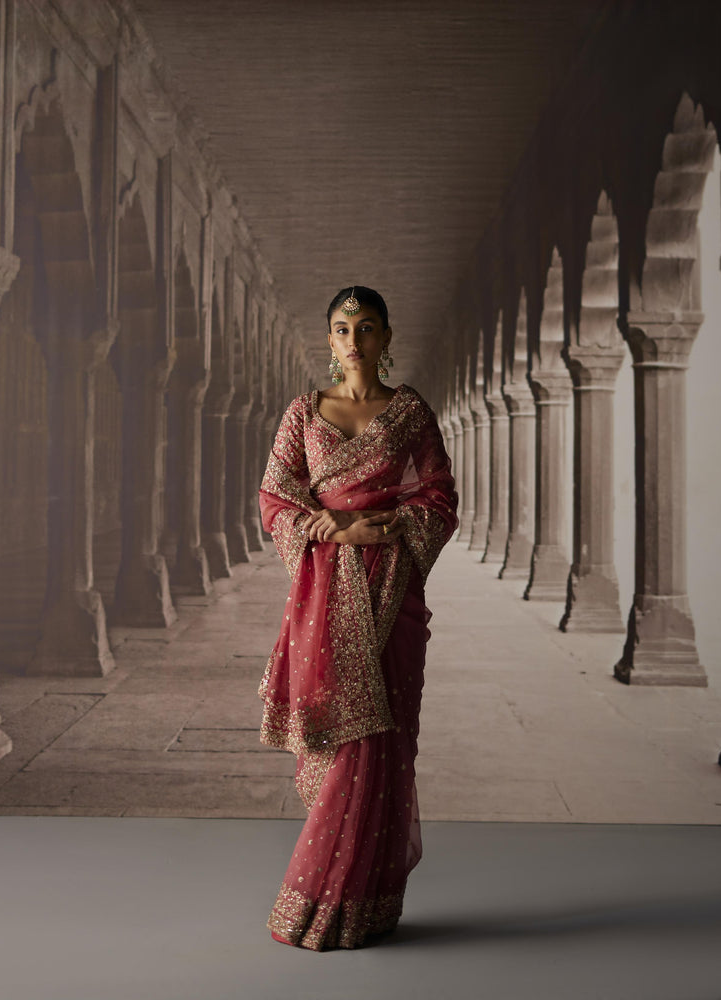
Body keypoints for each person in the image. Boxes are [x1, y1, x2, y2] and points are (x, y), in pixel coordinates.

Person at [257, 285, 458, 950]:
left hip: (393, 594)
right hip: (325, 598)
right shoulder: (302, 413)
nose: (353, 340)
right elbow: (275, 498)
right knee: (345, 743)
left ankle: (364, 904)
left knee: (384, 744)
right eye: (343, 327)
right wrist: (337, 531)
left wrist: (388, 528)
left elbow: (439, 496)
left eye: (366, 327)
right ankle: (319, 900)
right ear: (329, 338)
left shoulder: (409, 414)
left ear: (385, 336)